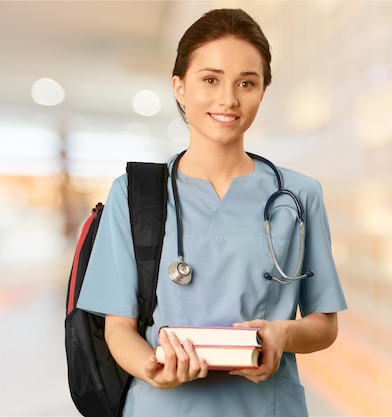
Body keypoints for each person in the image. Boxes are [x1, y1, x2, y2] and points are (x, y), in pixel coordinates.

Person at [76, 8, 347, 417]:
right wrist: (153, 371)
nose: (228, 99)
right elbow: (118, 329)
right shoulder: (133, 194)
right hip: (162, 407)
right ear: (180, 87)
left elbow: (324, 324)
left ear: (262, 92)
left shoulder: (298, 195)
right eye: (210, 79)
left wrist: (282, 334)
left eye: (246, 83)